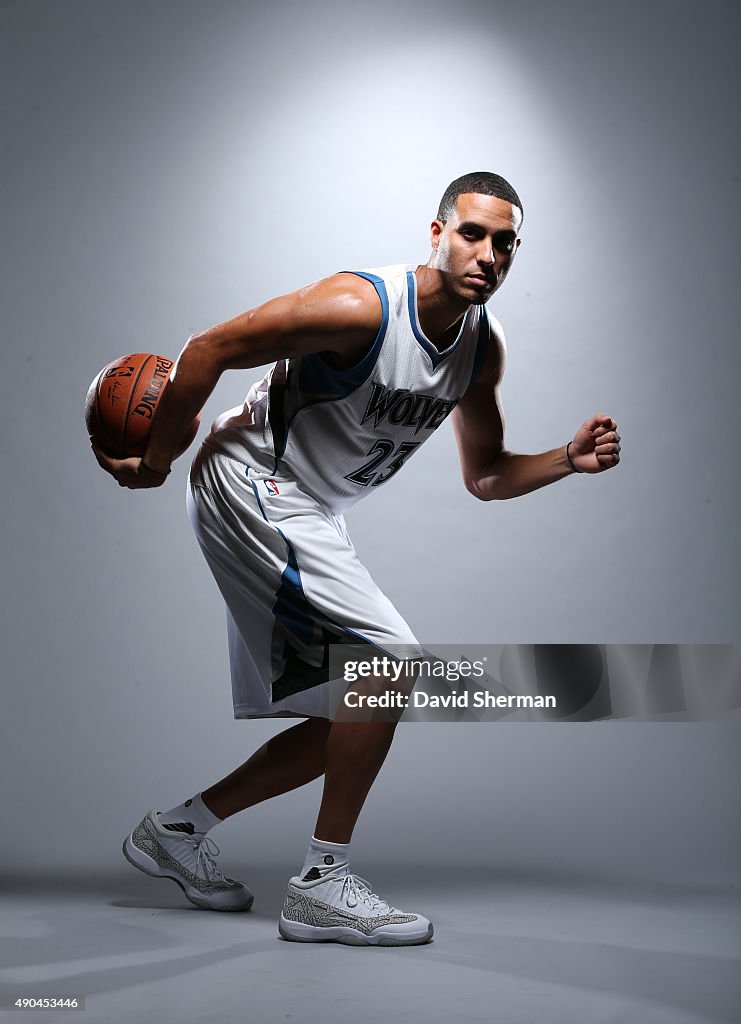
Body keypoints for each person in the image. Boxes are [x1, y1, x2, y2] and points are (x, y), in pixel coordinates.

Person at [92, 171, 621, 946]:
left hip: (311, 510)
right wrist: (159, 458)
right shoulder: (361, 307)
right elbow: (209, 348)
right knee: (388, 664)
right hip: (255, 482)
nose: (487, 255)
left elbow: (484, 477)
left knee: (348, 714)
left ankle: (178, 828)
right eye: (471, 234)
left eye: (504, 243)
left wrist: (563, 461)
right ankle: (320, 884)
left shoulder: (479, 349)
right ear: (435, 233)